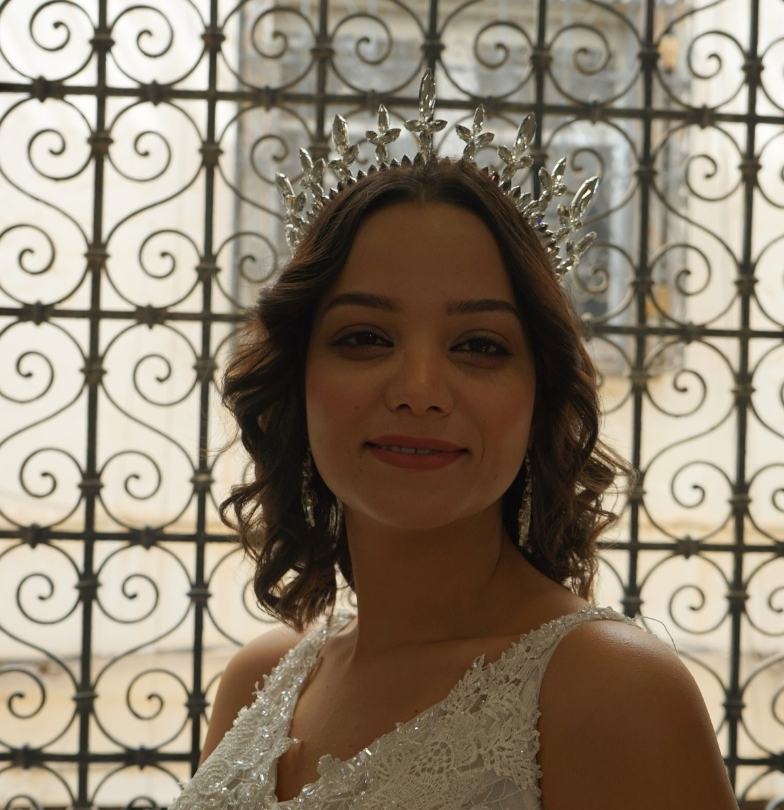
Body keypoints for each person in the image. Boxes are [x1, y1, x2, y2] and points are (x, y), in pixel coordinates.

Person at [168, 74, 739, 809]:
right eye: (365, 337)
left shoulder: (610, 692)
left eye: (479, 346)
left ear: (540, 397)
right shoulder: (261, 678)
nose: (419, 389)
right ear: (297, 378)